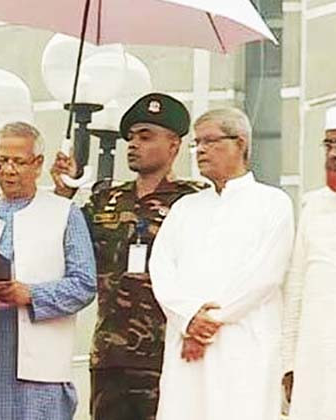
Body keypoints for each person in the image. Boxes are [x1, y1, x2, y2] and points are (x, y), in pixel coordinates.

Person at [51, 93, 206, 420]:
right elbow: (61, 244)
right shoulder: (105, 199)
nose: (133, 144)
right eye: (131, 137)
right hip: (111, 356)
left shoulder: (195, 201)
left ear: (174, 145)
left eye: (145, 137)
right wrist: (64, 193)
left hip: (168, 353)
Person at [148, 107, 294, 420]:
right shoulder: (185, 208)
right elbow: (161, 269)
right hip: (186, 343)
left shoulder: (272, 203)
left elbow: (264, 276)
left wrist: (207, 323)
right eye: (197, 143)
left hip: (244, 342)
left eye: (210, 141)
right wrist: (189, 318)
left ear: (240, 143)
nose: (200, 150)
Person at [0, 121, 96, 420]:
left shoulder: (64, 213)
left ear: (37, 164)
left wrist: (31, 294)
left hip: (38, 368)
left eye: (18, 162)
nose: (9, 170)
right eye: (2, 161)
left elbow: (85, 284)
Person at [282, 103, 336, 420]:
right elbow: (296, 286)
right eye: (328, 145)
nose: (334, 154)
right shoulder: (313, 205)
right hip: (315, 356)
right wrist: (288, 363)